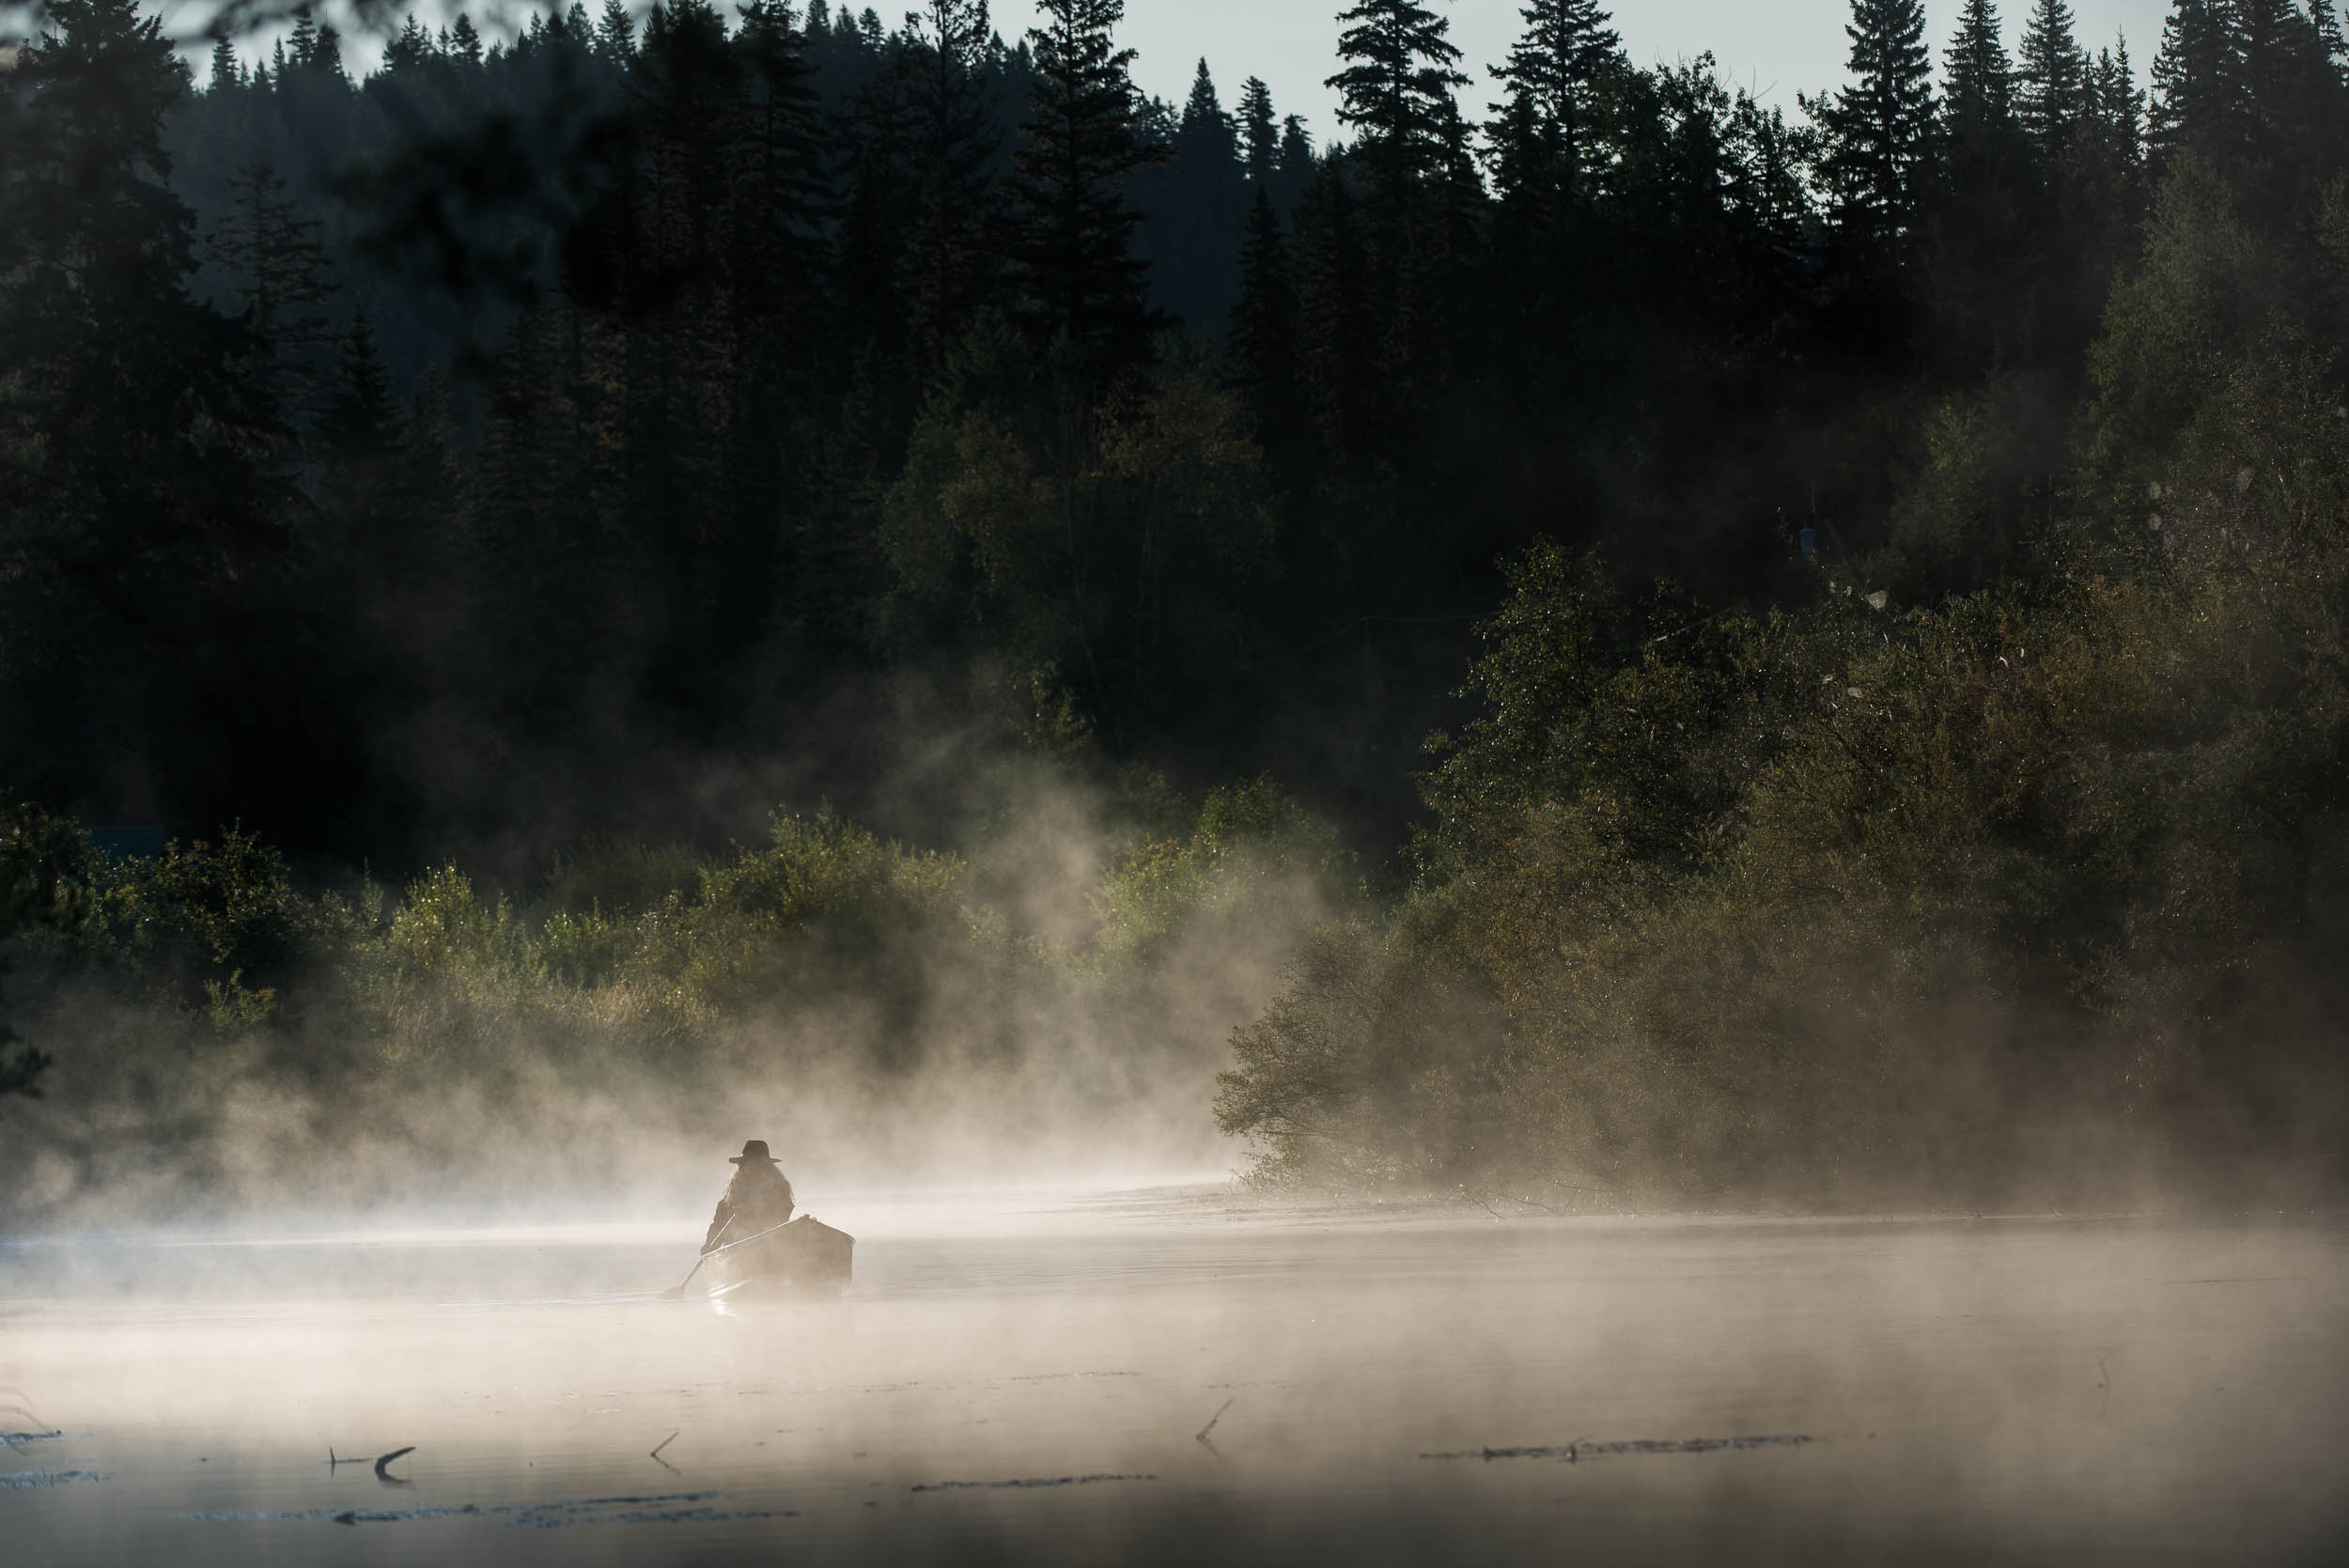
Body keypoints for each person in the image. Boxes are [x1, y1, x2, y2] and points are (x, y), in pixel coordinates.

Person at [702, 1140, 795, 1253]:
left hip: (770, 1239)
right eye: (747, 1162)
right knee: (741, 1235)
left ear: (766, 1165)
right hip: (738, 1245)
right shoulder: (733, 1193)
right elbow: (719, 1224)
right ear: (742, 1165)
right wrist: (709, 1245)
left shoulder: (779, 1187)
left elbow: (783, 1213)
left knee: (768, 1238)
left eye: (758, 1163)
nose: (752, 1167)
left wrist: (752, 1212)